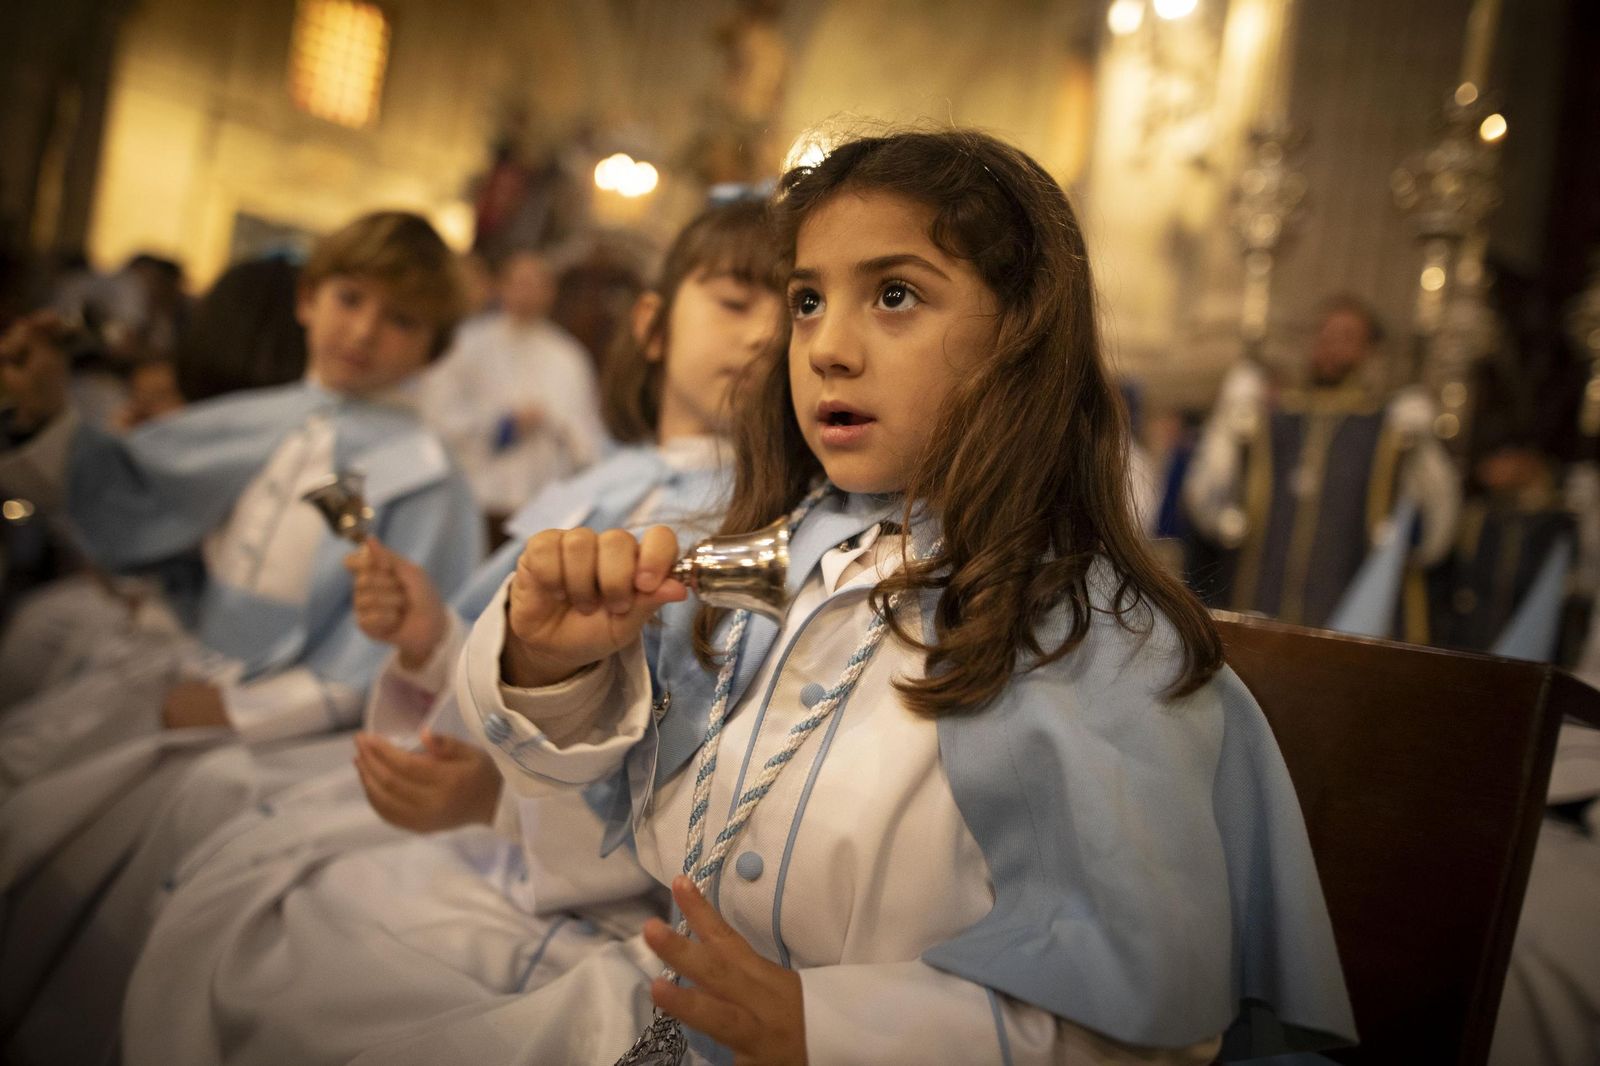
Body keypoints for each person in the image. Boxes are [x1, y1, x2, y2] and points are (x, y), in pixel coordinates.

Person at [407, 130, 1354, 1064]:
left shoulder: (1094, 646)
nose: (828, 347)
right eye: (808, 301)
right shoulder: (756, 558)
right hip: (647, 1005)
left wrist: (836, 1029)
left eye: (895, 295)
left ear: (1021, 334)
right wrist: (552, 665)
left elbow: (1140, 1024)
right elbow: (600, 808)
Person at [120, 197, 786, 1066]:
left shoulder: (755, 529)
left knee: (271, 965)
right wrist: (434, 633)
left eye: (795, 309)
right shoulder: (605, 483)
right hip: (471, 814)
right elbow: (497, 665)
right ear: (654, 328)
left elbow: (696, 774)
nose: (768, 335)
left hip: (557, 877)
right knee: (219, 886)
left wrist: (491, 802)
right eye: (739, 304)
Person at [0, 212, 483, 1057]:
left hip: (289, 722)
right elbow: (132, 486)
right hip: (185, 668)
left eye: (400, 319)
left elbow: (383, 649)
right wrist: (47, 412)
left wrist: (239, 714)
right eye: (349, 298)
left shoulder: (427, 476)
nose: (364, 330)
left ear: (432, 346)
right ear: (306, 298)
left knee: (138, 829)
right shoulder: (259, 420)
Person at [1184, 296, 1460, 634]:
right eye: (1324, 335)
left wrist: (1422, 445)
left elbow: (1435, 523)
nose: (1330, 347)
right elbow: (1209, 493)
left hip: (1345, 607)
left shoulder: (1386, 430)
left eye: (1346, 338)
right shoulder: (1274, 422)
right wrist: (1228, 417)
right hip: (1262, 598)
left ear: (1369, 351)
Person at [417, 248, 608, 519]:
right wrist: (502, 425)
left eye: (536, 285)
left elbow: (585, 435)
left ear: (550, 293)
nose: (526, 294)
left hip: (538, 502)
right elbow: (439, 413)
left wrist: (555, 426)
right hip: (474, 497)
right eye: (519, 283)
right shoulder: (467, 344)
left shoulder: (567, 356)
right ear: (500, 286)